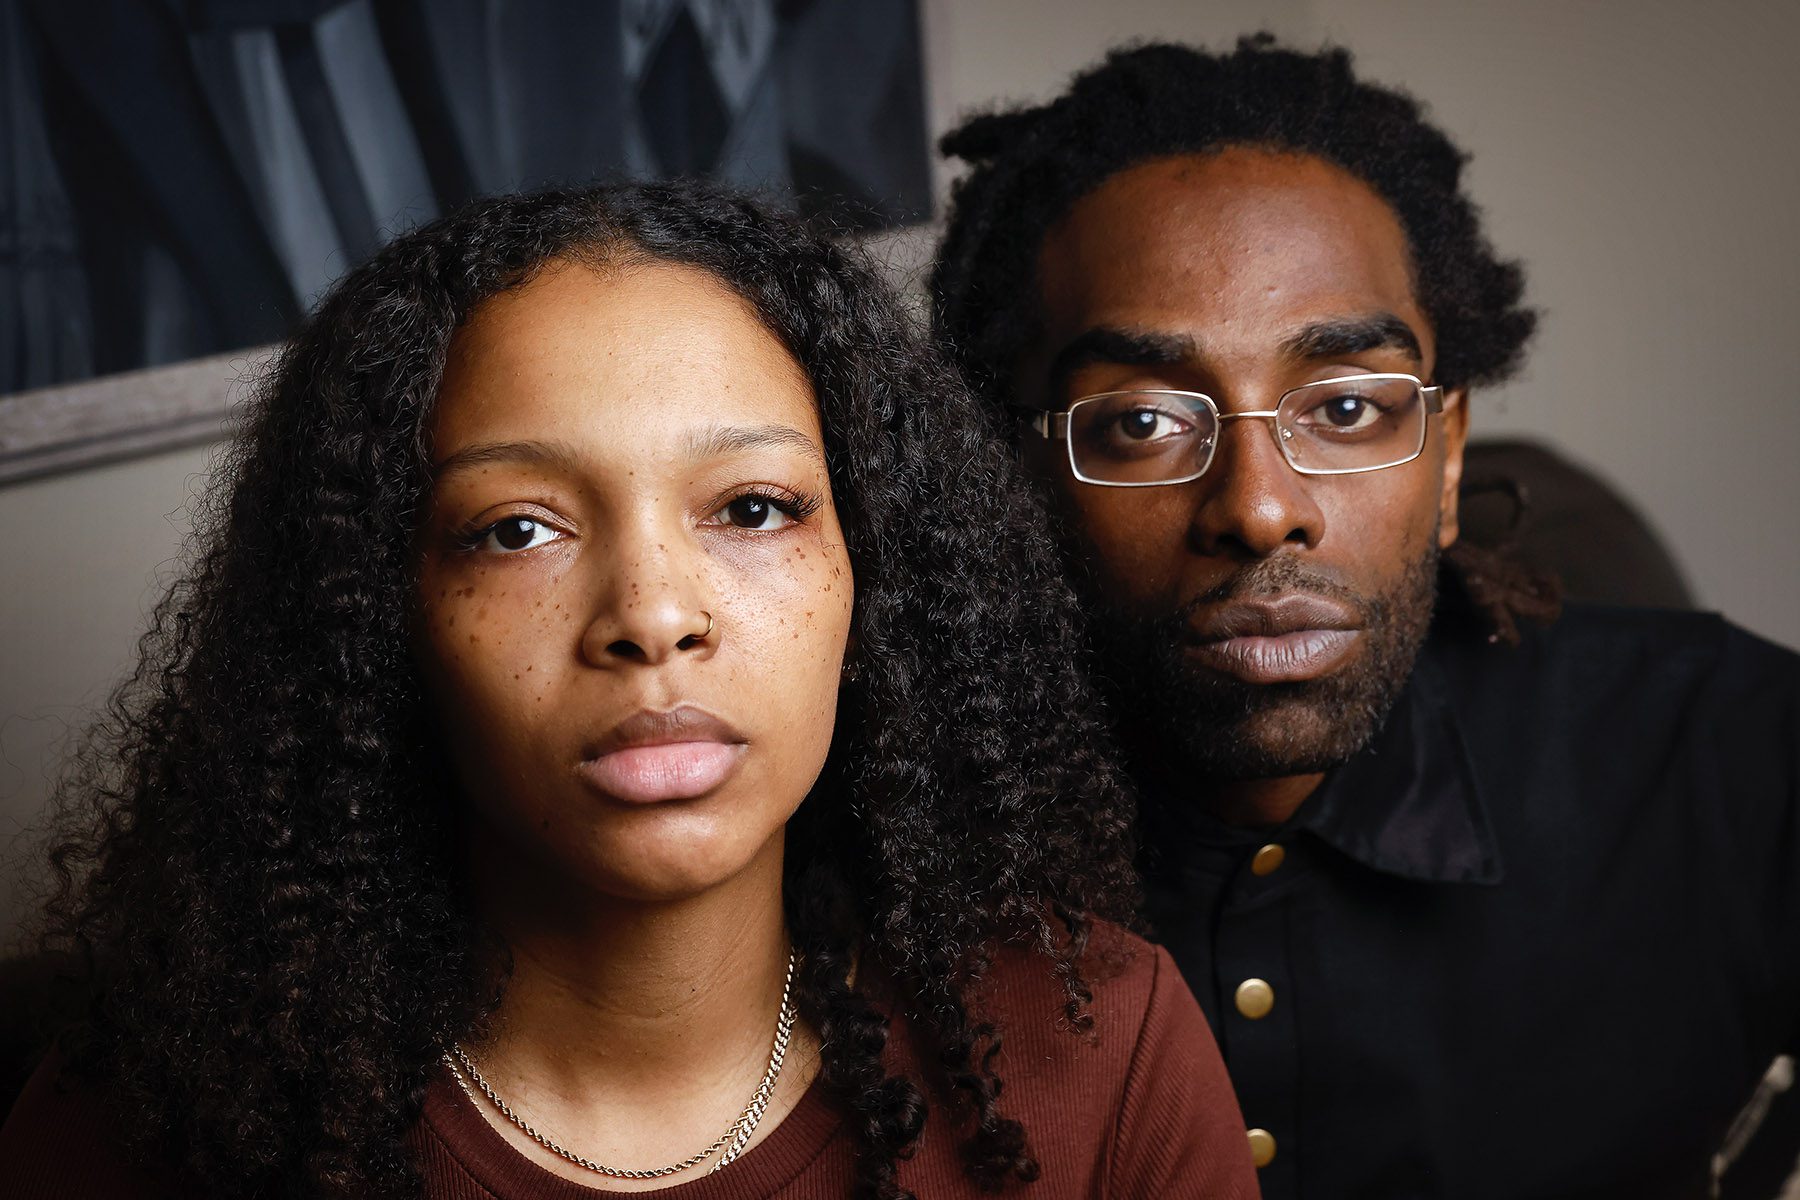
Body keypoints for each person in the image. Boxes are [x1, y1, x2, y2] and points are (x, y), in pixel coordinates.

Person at [0, 182, 1260, 1199]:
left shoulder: (1099, 1053)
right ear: (379, 618)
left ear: (872, 579)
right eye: (515, 530)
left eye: (754, 509)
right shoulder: (134, 1128)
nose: (654, 615)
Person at [931, 35, 1800, 1200]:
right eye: (1141, 424)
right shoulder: (896, 854)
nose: (1259, 509)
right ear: (1016, 480)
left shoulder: (1729, 755)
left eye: (1344, 405)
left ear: (1447, 462)